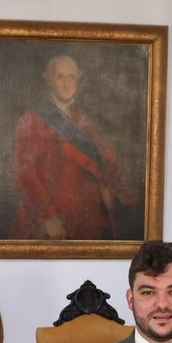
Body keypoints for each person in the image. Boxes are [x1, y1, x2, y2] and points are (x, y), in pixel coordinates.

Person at [10, 53, 123, 241]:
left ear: (79, 78)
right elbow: (25, 173)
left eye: (71, 77)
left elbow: (108, 159)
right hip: (52, 224)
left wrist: (107, 187)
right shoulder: (32, 120)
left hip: (87, 222)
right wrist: (49, 217)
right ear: (49, 79)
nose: (66, 84)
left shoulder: (84, 121)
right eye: (60, 77)